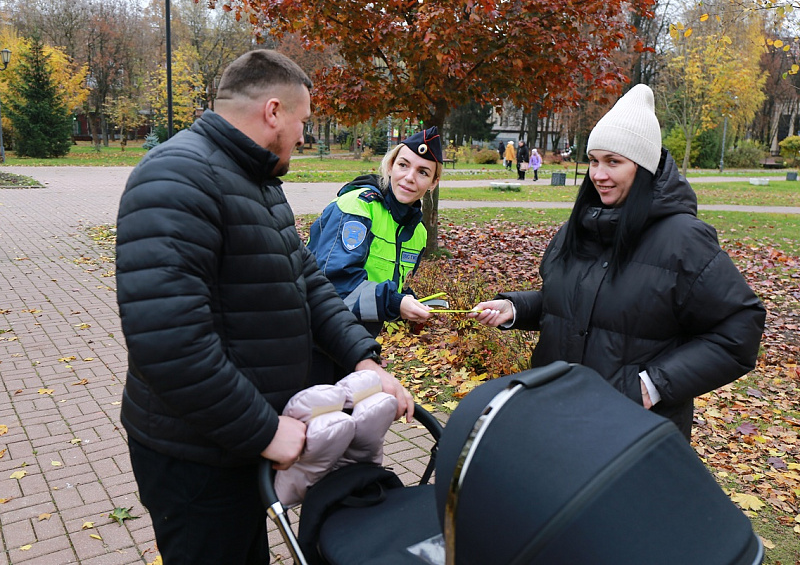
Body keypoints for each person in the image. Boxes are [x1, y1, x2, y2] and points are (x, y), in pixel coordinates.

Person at [115, 49, 413, 565]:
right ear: (273, 111)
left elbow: (309, 282)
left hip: (240, 443)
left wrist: (364, 361)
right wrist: (266, 430)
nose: (304, 136)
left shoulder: (257, 181)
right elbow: (169, 343)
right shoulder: (175, 179)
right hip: (197, 456)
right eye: (303, 122)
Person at [469, 84, 765, 440]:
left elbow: (739, 329)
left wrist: (652, 385)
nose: (598, 174)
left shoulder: (684, 240)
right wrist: (515, 308)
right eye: (594, 160)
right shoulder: (578, 228)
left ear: (643, 167)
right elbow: (573, 305)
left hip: (631, 434)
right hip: (558, 415)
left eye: (613, 161)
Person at [306, 127, 443, 381]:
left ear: (433, 183)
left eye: (423, 172)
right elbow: (332, 286)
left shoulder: (418, 233)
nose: (409, 178)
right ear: (390, 166)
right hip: (310, 341)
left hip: (355, 345)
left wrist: (408, 302)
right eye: (403, 165)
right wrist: (395, 303)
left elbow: (384, 285)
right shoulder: (357, 207)